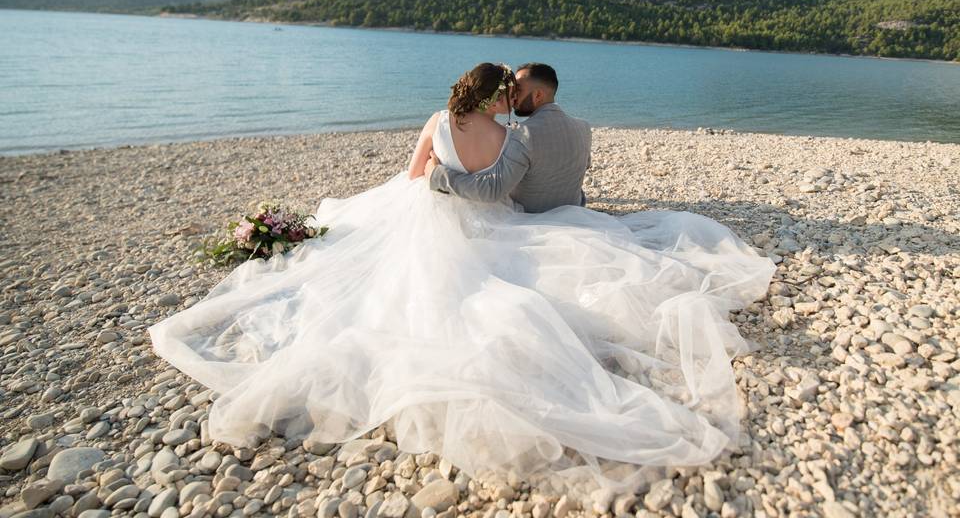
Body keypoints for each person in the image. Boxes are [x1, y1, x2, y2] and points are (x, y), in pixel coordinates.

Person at [149, 62, 775, 496]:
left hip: (427, 211)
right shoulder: (509, 135)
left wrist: (440, 177)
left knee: (366, 270)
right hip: (486, 221)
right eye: (507, 92)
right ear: (501, 97)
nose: (511, 100)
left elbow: (416, 175)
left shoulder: (437, 120)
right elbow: (496, 191)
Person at [426, 63, 591, 213]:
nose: (512, 97)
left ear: (538, 95)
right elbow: (579, 166)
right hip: (574, 211)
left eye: (517, 90)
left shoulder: (523, 134)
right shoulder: (583, 127)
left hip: (534, 220)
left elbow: (492, 190)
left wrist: (438, 175)